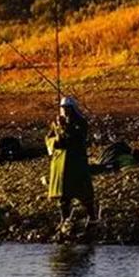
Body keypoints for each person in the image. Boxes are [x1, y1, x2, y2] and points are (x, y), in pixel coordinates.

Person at [45, 96, 95, 224]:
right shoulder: (56, 123)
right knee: (63, 195)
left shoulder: (80, 123)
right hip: (60, 164)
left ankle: (92, 217)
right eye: (63, 108)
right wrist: (55, 142)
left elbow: (77, 138)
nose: (65, 111)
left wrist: (65, 127)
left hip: (76, 163)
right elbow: (49, 138)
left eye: (68, 108)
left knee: (84, 193)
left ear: (73, 109)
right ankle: (64, 219)